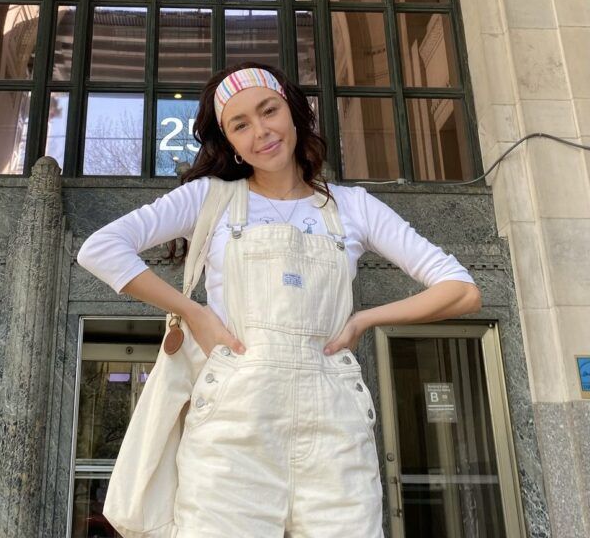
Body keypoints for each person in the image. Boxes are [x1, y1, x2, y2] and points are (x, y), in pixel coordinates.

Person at [76, 61, 481, 538]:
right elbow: (99, 249)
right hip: (233, 425)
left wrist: (364, 320)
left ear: (293, 112)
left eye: (269, 111)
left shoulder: (353, 206)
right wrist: (193, 311)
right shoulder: (211, 198)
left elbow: (461, 290)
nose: (261, 131)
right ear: (227, 141)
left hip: (334, 426)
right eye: (240, 124)